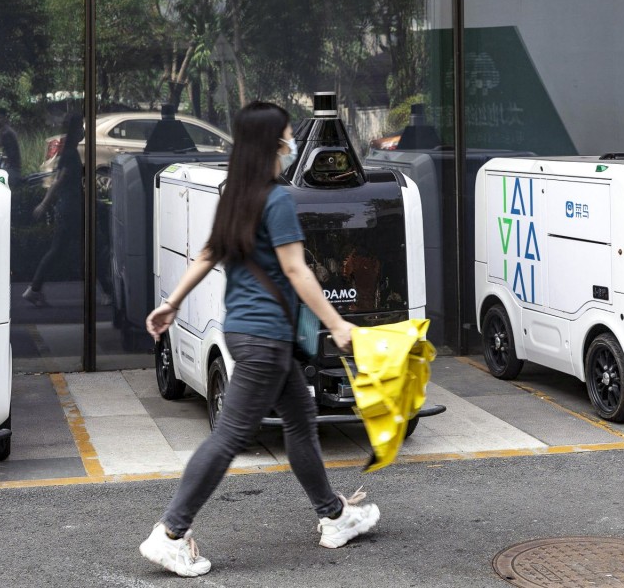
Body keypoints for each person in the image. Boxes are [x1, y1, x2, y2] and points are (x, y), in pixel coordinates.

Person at [139, 101, 379, 578]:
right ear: (272, 145)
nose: (291, 146)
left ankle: (333, 516)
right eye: (287, 138)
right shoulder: (277, 200)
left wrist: (173, 302)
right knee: (230, 435)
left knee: (300, 420)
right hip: (267, 337)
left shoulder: (236, 196)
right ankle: (170, 532)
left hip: (248, 331)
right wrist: (336, 323)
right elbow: (296, 269)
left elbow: (208, 252)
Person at [22, 112, 84, 307]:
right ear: (76, 129)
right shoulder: (70, 153)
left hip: (70, 205)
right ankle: (34, 288)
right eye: (81, 126)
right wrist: (44, 203)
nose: (84, 130)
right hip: (70, 207)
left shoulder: (69, 151)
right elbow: (59, 181)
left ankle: (34, 288)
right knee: (87, 247)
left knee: (62, 249)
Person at [0, 107, 22, 184]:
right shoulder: (3, 131)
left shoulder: (6, 132)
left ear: (5, 119)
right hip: (9, 168)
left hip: (12, 170)